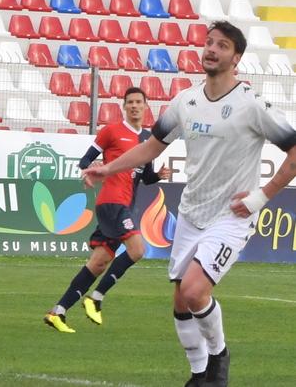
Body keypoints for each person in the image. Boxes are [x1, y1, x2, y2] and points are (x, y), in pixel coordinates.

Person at [83, 21, 296, 387]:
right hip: (192, 213)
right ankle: (199, 376)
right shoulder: (186, 101)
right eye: (209, 42)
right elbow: (152, 147)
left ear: (237, 58)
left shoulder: (251, 104)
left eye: (223, 45)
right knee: (182, 301)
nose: (212, 49)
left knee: (196, 290)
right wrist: (108, 168)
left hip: (231, 215)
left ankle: (219, 358)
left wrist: (262, 196)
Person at [44, 87, 169, 333]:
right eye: (130, 102)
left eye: (138, 102)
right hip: (112, 202)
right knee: (138, 249)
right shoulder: (112, 131)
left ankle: (57, 312)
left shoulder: (148, 140)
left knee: (99, 263)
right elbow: (85, 160)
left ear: (146, 106)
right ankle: (96, 297)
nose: (134, 106)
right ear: (124, 106)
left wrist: (159, 176)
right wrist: (90, 171)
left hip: (126, 203)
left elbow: (144, 177)